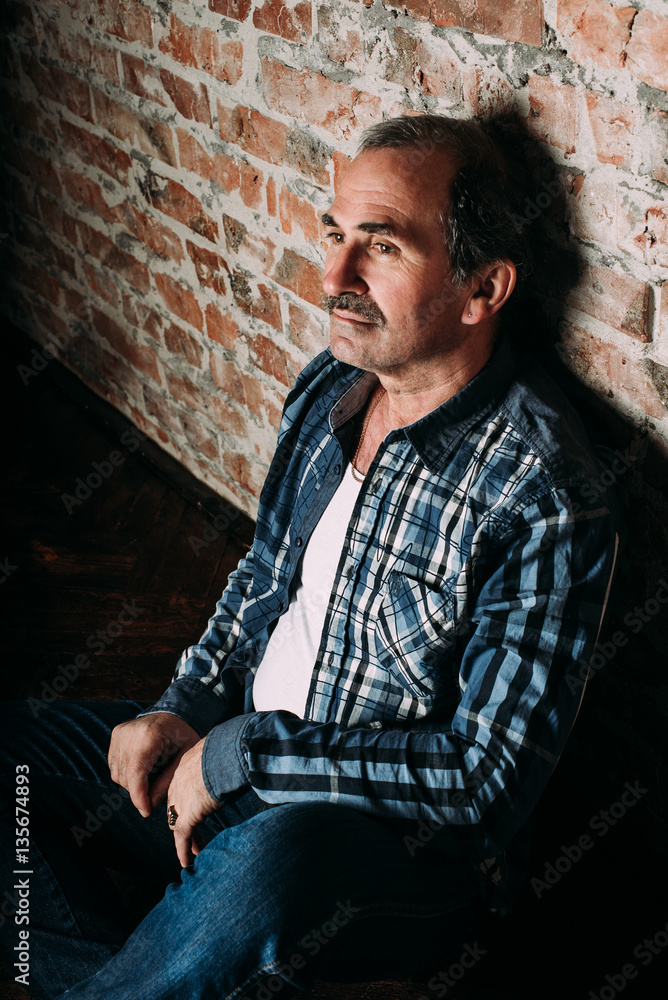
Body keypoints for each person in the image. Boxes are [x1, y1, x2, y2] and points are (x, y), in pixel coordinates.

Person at [0, 114, 623, 1000]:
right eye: (335, 235)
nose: (334, 277)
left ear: (483, 288)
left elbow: (482, 780)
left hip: (384, 854)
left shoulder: (546, 492)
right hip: (225, 755)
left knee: (266, 867)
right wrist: (185, 706)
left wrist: (246, 757)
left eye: (383, 247)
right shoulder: (334, 383)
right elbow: (266, 577)